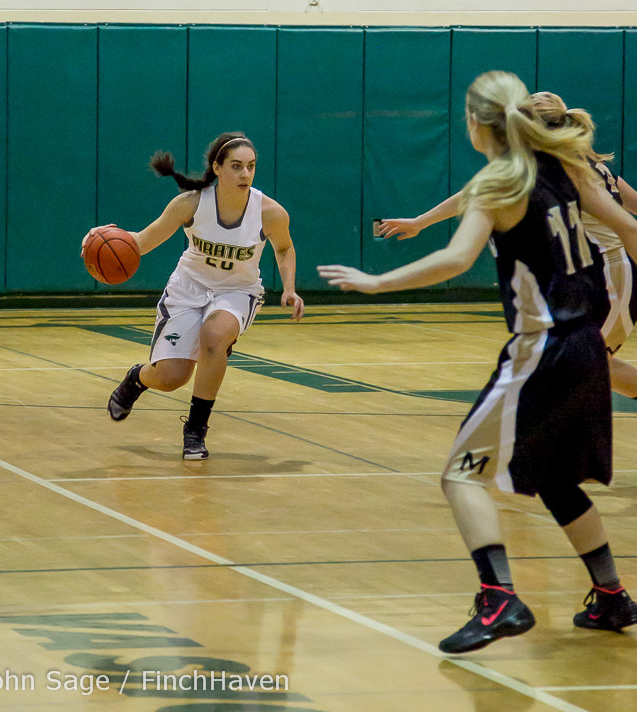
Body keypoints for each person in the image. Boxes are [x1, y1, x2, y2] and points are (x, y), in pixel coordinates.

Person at [319, 70, 637, 654]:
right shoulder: (566, 167)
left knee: (460, 475)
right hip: (587, 345)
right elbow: (632, 228)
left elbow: (454, 258)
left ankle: (498, 599)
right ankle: (612, 595)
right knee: (556, 479)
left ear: (473, 123)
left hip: (542, 348)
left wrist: (377, 281)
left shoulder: (498, 183)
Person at [379, 92, 637, 396]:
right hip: (594, 279)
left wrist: (421, 222)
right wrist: (421, 221)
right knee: (586, 364)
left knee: (571, 364)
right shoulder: (570, 161)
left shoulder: (553, 165)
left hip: (609, 281)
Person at [97, 132, 304, 460]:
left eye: (250, 167)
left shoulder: (270, 212)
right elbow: (141, 242)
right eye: (236, 166)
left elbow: (284, 247)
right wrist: (102, 237)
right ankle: (137, 378)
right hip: (188, 289)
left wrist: (289, 288)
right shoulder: (191, 204)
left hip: (238, 291)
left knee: (214, 336)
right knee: (171, 378)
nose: (245, 174)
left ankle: (195, 429)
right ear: (218, 168)